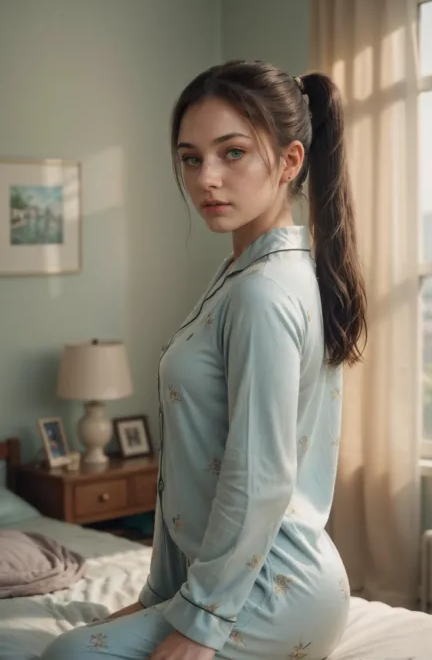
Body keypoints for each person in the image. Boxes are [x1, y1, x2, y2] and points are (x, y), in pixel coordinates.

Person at [41, 60, 367, 660]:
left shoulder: (262, 290)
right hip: (257, 579)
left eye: (232, 153)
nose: (206, 178)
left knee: (68, 655)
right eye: (191, 158)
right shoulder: (247, 274)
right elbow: (191, 470)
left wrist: (200, 625)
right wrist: (162, 595)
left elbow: (259, 478)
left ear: (291, 161)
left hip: (271, 589)